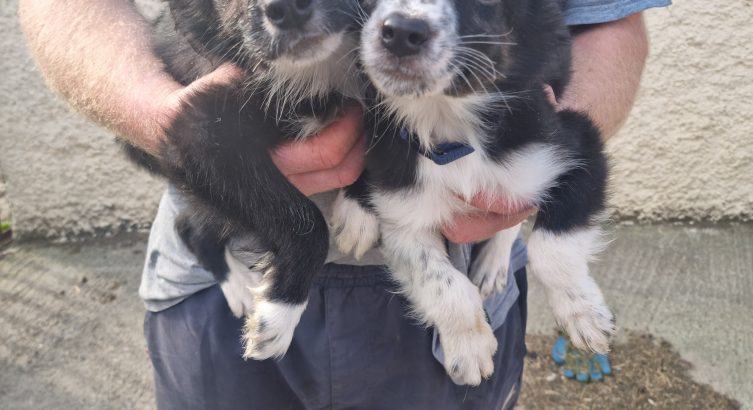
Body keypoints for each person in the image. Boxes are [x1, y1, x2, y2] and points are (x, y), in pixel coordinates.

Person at [19, 0, 668, 408]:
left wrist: (526, 171)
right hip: (225, 267)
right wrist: (169, 122)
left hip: (450, 267)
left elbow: (604, 19)